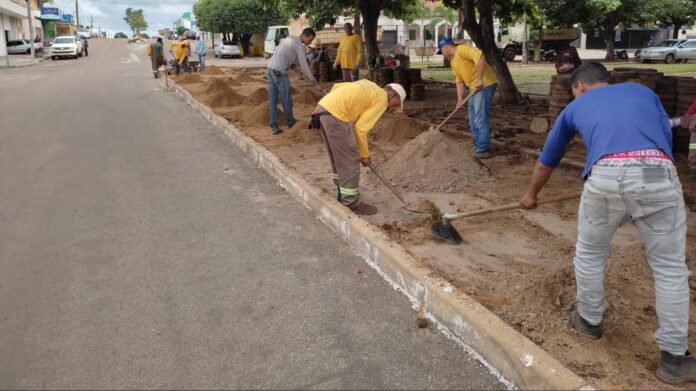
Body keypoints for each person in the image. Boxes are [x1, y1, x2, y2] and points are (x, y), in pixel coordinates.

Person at [519, 62, 694, 385]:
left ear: (580, 87)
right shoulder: (643, 92)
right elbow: (663, 134)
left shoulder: (575, 108)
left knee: (590, 254)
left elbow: (547, 160)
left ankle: (588, 322)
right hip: (657, 171)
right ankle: (673, 358)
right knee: (670, 268)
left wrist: (531, 195)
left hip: (607, 175)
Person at [310, 81, 406, 215]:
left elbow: (337, 87)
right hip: (335, 114)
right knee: (350, 159)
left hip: (322, 108)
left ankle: (342, 192)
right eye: (394, 104)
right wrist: (364, 154)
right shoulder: (382, 99)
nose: (391, 108)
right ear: (391, 94)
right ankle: (351, 202)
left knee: (338, 158)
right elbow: (360, 128)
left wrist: (325, 106)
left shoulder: (370, 86)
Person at [437, 37, 498, 158]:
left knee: (479, 116)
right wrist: (460, 99)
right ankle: (477, 144)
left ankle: (483, 148)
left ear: (446, 47)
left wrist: (480, 78)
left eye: (441, 50)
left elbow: (480, 57)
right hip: (474, 88)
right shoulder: (453, 61)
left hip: (485, 84)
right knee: (472, 116)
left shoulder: (462, 49)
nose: (442, 54)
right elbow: (459, 81)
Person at [266, 27, 322, 135]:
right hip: (279, 73)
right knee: (286, 99)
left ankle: (274, 127)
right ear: (304, 35)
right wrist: (315, 83)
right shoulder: (299, 45)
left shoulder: (290, 38)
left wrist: (295, 70)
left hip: (270, 70)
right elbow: (305, 66)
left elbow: (285, 55)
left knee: (272, 101)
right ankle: (291, 123)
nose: (309, 43)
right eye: (309, 40)